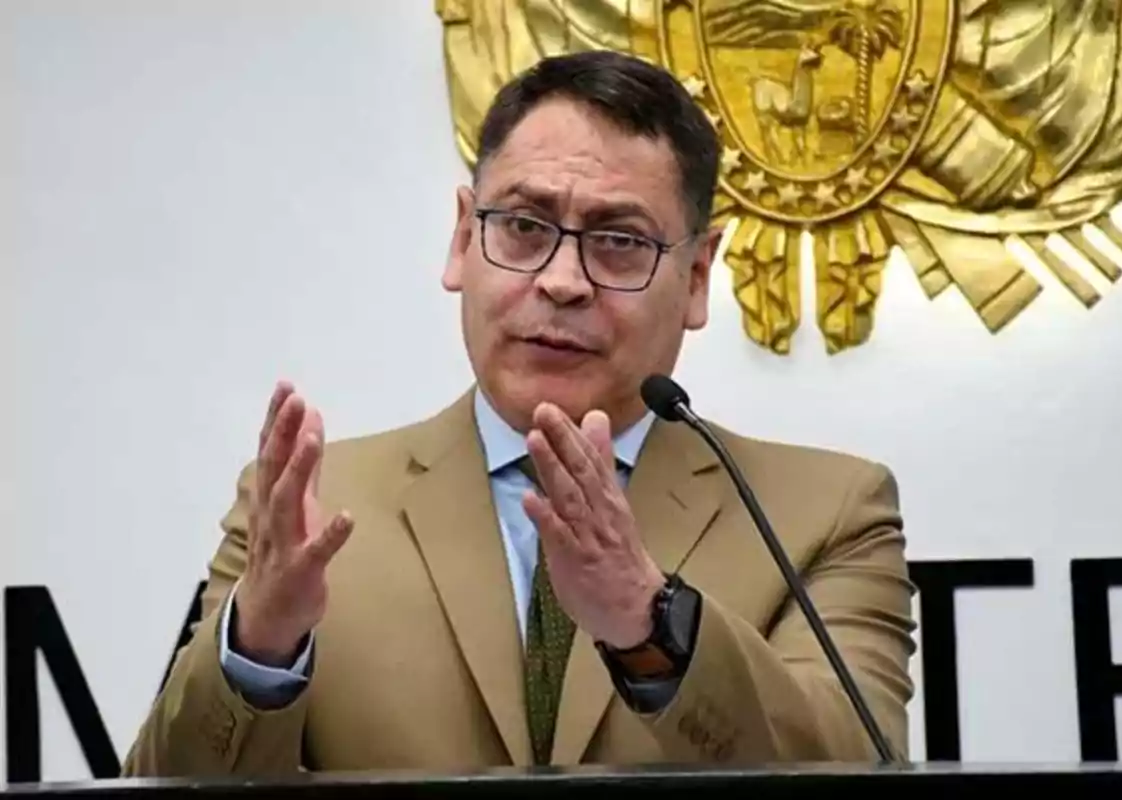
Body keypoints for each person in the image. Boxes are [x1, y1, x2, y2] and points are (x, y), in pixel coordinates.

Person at [122, 50, 916, 777]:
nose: (563, 280)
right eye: (525, 228)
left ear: (700, 276)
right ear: (463, 240)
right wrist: (257, 648)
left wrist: (649, 624)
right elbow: (160, 789)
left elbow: (854, 770)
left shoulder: (826, 513)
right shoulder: (312, 507)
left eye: (618, 241)